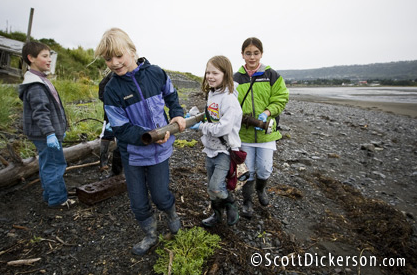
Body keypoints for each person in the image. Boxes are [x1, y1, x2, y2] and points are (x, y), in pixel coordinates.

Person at [95, 28, 186, 256]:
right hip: (133, 155)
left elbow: (172, 96)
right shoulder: (112, 90)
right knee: (137, 202)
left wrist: (176, 113)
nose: (114, 63)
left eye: (119, 55)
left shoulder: (156, 74)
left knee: (161, 195)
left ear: (132, 50)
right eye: (108, 58)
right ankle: (151, 235)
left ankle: (173, 216)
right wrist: (149, 134)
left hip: (160, 152)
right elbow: (121, 128)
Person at [233, 37, 289, 218]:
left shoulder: (272, 75)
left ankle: (261, 190)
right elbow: (230, 102)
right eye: (248, 53)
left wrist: (267, 112)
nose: (252, 57)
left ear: (261, 54)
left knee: (265, 168)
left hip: (266, 134)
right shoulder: (235, 78)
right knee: (247, 170)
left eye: (256, 53)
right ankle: (247, 201)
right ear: (242, 55)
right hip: (245, 134)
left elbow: (281, 99)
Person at [18, 41, 74, 209]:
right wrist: (50, 133)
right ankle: (58, 200)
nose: (49, 60)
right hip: (45, 134)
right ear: (31, 58)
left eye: (49, 56)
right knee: (55, 165)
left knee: (47, 164)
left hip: (47, 133)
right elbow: (40, 113)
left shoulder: (40, 79)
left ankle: (49, 196)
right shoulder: (35, 84)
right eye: (44, 56)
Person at [190, 56, 242, 227]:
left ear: (226, 75)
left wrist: (201, 127)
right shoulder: (212, 94)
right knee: (211, 189)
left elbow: (223, 128)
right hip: (210, 149)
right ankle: (217, 215)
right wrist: (193, 117)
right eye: (207, 73)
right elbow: (211, 117)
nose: (210, 76)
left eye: (215, 73)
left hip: (225, 151)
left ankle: (231, 203)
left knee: (216, 186)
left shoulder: (229, 99)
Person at [98, 67, 122, 175]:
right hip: (111, 112)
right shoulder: (113, 76)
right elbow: (102, 91)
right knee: (107, 136)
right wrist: (109, 103)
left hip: (119, 113)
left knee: (118, 138)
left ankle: (116, 166)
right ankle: (103, 163)